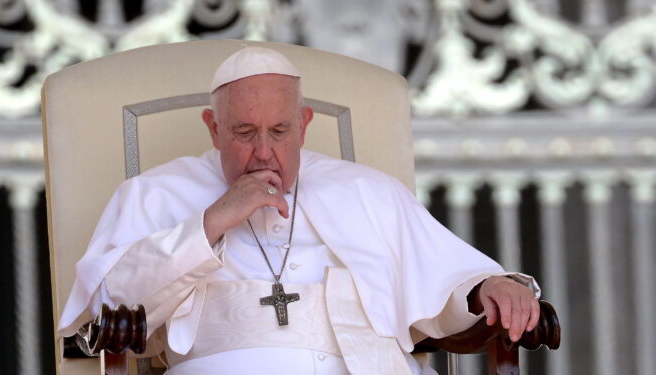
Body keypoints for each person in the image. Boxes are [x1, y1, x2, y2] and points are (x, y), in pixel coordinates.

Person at [58, 46, 540, 375]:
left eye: (280, 131)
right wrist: (212, 223)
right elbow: (105, 303)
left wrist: (489, 286)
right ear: (213, 128)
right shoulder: (154, 193)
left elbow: (447, 281)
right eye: (244, 133)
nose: (264, 153)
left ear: (305, 125)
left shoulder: (368, 191)